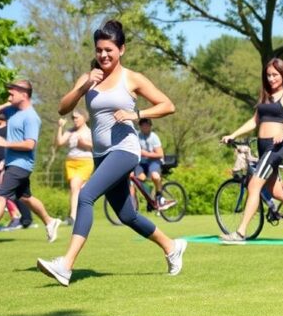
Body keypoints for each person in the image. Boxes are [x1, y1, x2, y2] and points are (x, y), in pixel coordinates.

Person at [35, 20, 186, 286]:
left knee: (86, 195)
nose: (103, 55)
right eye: (99, 50)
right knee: (126, 215)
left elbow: (168, 105)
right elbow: (62, 108)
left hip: (126, 149)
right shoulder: (89, 78)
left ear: (121, 50)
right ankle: (172, 246)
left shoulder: (132, 78)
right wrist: (83, 87)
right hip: (101, 154)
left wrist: (136, 114)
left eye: (109, 50)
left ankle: (66, 265)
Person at [221, 58, 283, 242]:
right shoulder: (265, 96)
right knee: (276, 192)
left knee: (253, 185)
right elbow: (254, 121)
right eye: (268, 75)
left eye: (275, 74)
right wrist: (233, 134)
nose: (271, 78)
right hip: (263, 146)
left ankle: (240, 232)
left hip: (276, 147)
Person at [0, 81, 63, 246]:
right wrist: (6, 103)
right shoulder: (11, 111)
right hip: (12, 163)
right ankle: (50, 221)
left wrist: (5, 144)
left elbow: (30, 144)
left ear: (24, 95)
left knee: (1, 196)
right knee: (26, 197)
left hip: (22, 164)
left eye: (12, 93)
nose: (9, 96)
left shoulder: (31, 117)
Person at [0, 113, 32, 230]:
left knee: (11, 193)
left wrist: (4, 161)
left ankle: (25, 219)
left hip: (4, 163)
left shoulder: (9, 128)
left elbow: (13, 145)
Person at [56, 111, 94, 225]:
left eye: (77, 117)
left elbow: (96, 146)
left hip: (85, 162)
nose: (75, 120)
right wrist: (60, 127)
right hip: (71, 163)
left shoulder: (89, 131)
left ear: (84, 117)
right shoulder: (70, 131)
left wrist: (84, 143)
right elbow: (60, 142)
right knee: (78, 190)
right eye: (73, 118)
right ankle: (83, 215)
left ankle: (73, 216)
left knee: (74, 186)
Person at [135, 118, 166, 207]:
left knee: (155, 176)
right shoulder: (137, 136)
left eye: (147, 125)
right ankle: (150, 197)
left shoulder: (154, 137)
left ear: (150, 126)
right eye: (143, 125)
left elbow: (160, 154)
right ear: (140, 126)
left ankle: (159, 194)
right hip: (142, 162)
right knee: (137, 178)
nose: (145, 127)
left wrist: (146, 154)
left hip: (154, 161)